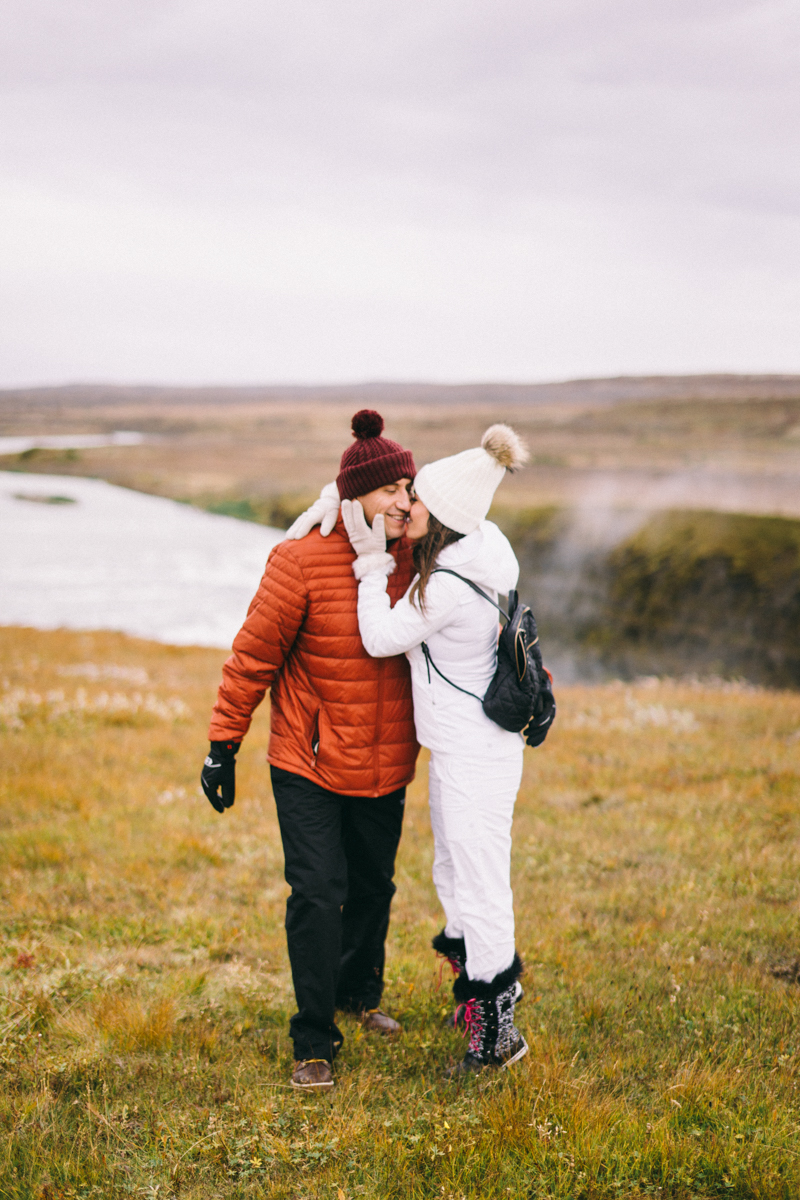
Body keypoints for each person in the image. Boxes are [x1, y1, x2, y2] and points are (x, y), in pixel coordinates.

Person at [200, 410, 419, 1092]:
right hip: (310, 762)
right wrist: (221, 747)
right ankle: (314, 1038)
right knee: (320, 894)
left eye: (410, 490)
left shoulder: (416, 557)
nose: (405, 503)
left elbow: (474, 618)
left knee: (372, 887)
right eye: (393, 492)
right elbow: (252, 659)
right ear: (356, 496)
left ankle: (360, 996)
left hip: (386, 761)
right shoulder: (299, 560)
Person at [340, 424, 530, 1075]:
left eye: (416, 500)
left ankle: (498, 1032)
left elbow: (379, 637)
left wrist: (370, 565)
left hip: (474, 752)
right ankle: (480, 991)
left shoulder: (447, 586)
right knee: (456, 873)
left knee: (478, 885)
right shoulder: (484, 545)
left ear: (443, 518)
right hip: (468, 748)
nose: (405, 507)